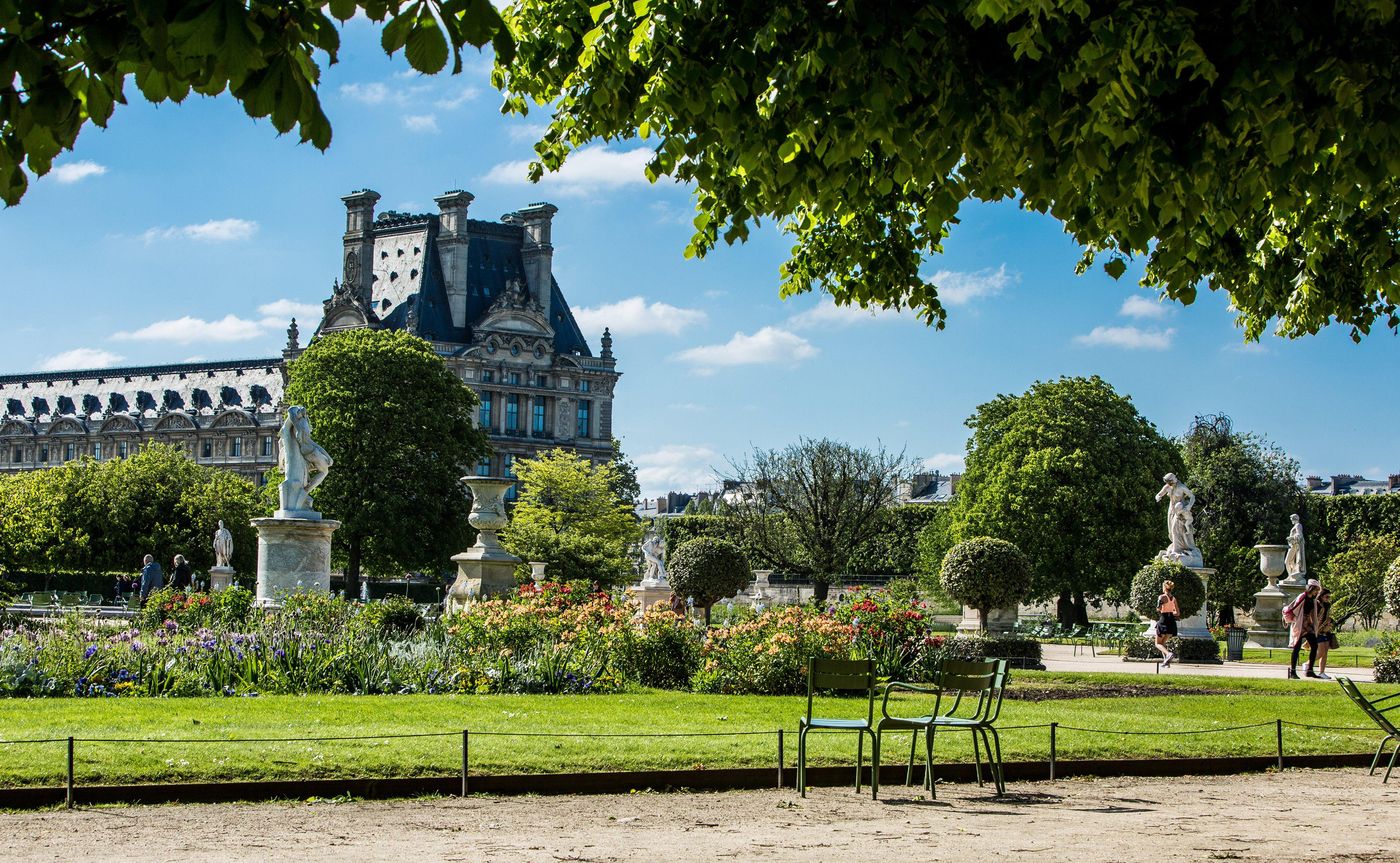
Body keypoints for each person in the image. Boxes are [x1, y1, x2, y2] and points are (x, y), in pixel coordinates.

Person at [1285, 579, 1323, 679]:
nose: (1316, 592)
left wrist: (1315, 625)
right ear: (1311, 588)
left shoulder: (1312, 599)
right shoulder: (1303, 596)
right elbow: (1295, 608)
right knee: (1296, 648)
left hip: (1307, 624)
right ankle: (1292, 671)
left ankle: (1310, 670)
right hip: (1299, 623)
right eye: (1316, 590)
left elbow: (1313, 613)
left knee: (1314, 645)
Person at [1154, 579, 1180, 667]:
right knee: (1163, 643)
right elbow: (1177, 613)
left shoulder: (1161, 597)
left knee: (1157, 643)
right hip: (1171, 621)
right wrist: (1171, 611)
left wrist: (1162, 608)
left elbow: (1158, 608)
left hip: (1163, 620)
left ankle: (1168, 654)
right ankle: (1166, 662)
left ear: (1164, 587)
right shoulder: (1174, 599)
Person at [1314, 587, 1337, 681]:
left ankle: (1322, 672)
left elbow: (1327, 617)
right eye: (1326, 597)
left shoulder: (1327, 606)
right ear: (1321, 596)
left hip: (1325, 631)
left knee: (1325, 653)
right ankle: (1307, 664)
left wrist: (1330, 623)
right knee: (1321, 652)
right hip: (1318, 631)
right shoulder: (1317, 605)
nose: (1328, 599)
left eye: (1329, 597)